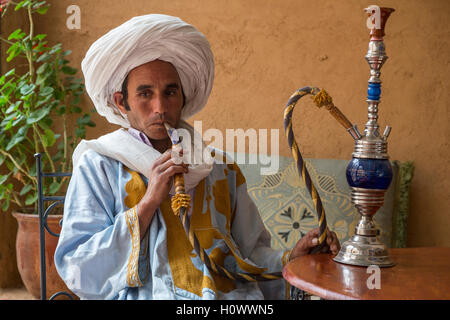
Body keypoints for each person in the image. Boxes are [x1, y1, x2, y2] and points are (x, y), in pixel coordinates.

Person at [54, 14, 340, 300]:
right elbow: (77, 266)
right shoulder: (99, 166)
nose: (160, 107)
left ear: (183, 97)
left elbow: (250, 254)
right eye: (144, 94)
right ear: (121, 102)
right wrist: (149, 203)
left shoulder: (220, 168)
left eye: (170, 92)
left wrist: (293, 257)